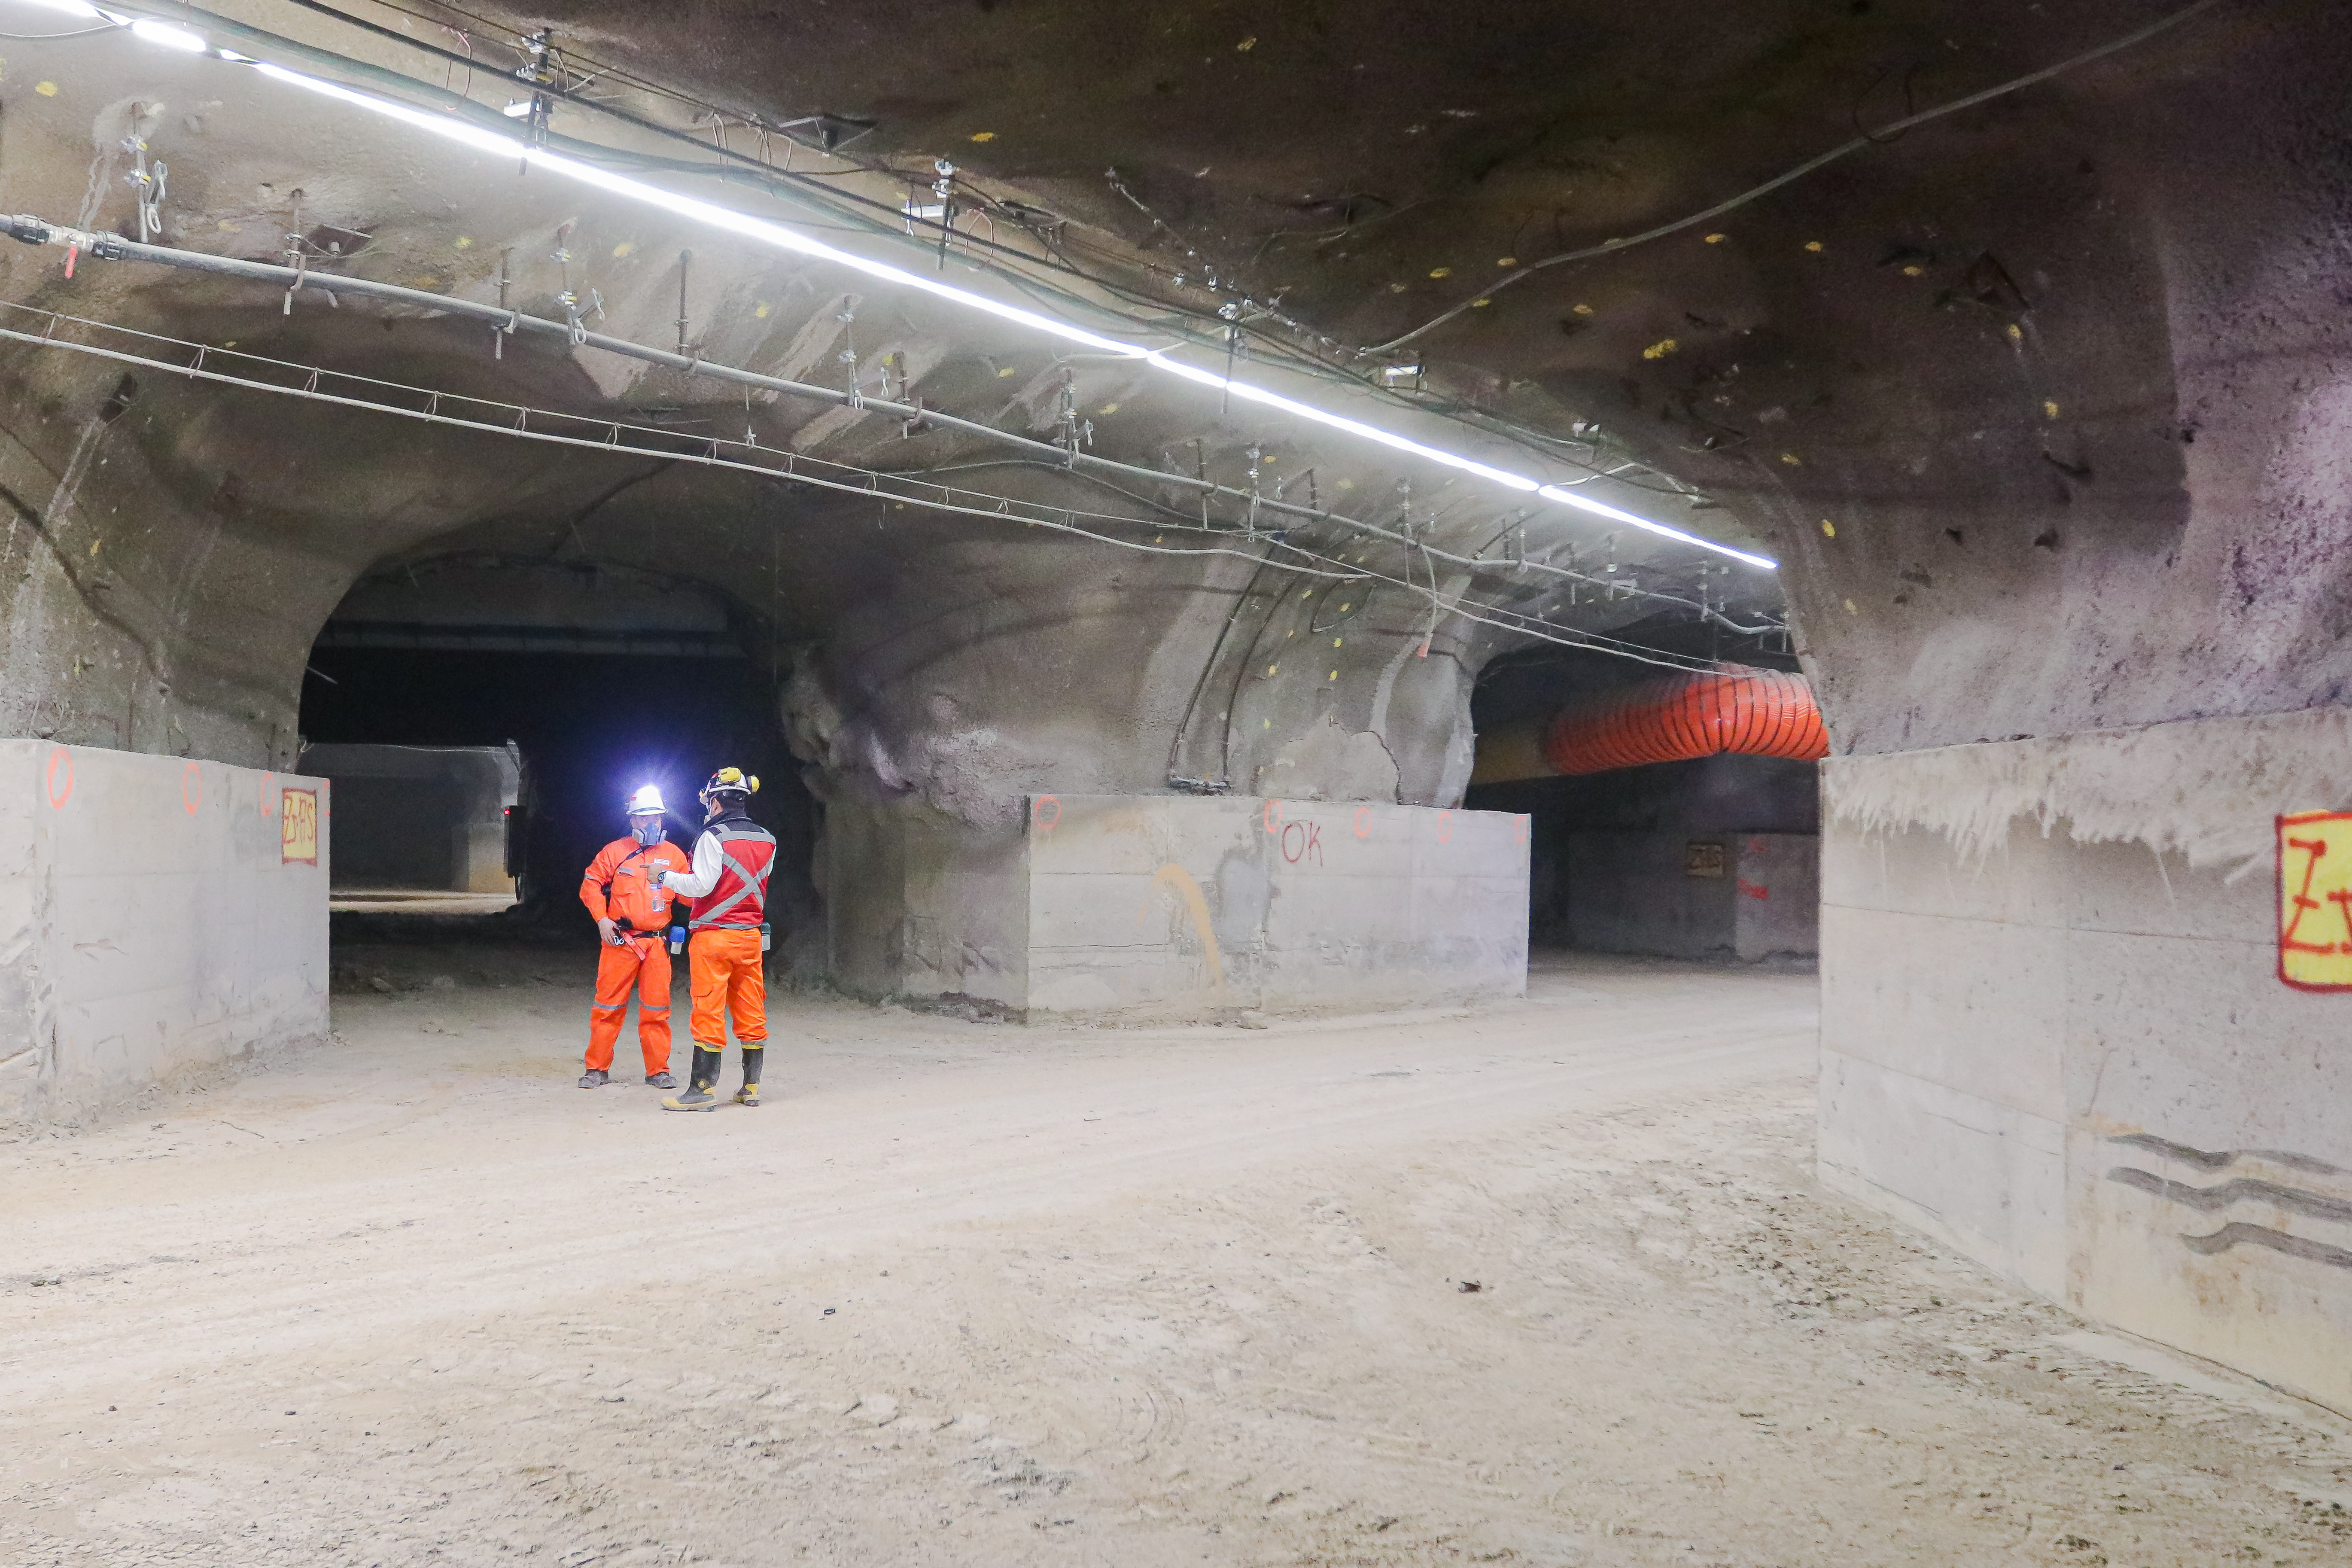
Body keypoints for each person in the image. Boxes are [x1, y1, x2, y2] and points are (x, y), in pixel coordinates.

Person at [651, 767, 778, 1111]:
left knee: (708, 1008)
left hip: (714, 936)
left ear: (717, 802)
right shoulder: (768, 839)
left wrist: (665, 876)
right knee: (751, 1006)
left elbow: (701, 886)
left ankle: (702, 1090)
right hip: (750, 937)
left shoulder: (712, 837)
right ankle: (750, 1087)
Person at [575, 784, 693, 1089]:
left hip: (658, 943)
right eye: (642, 817)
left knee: (657, 1009)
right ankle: (596, 1069)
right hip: (620, 941)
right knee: (607, 1007)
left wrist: (707, 876)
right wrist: (602, 919)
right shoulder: (614, 852)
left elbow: (691, 898)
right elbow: (590, 886)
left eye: (655, 816)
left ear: (663, 817)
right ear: (632, 820)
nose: (650, 823)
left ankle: (658, 1071)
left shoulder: (675, 855)